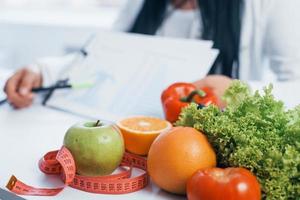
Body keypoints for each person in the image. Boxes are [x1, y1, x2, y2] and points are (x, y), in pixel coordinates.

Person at [4, 0, 300, 108]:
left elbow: (295, 85)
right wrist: (44, 70)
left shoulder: (269, 4)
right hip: (139, 140)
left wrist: (239, 91)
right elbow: (105, 54)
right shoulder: (143, 3)